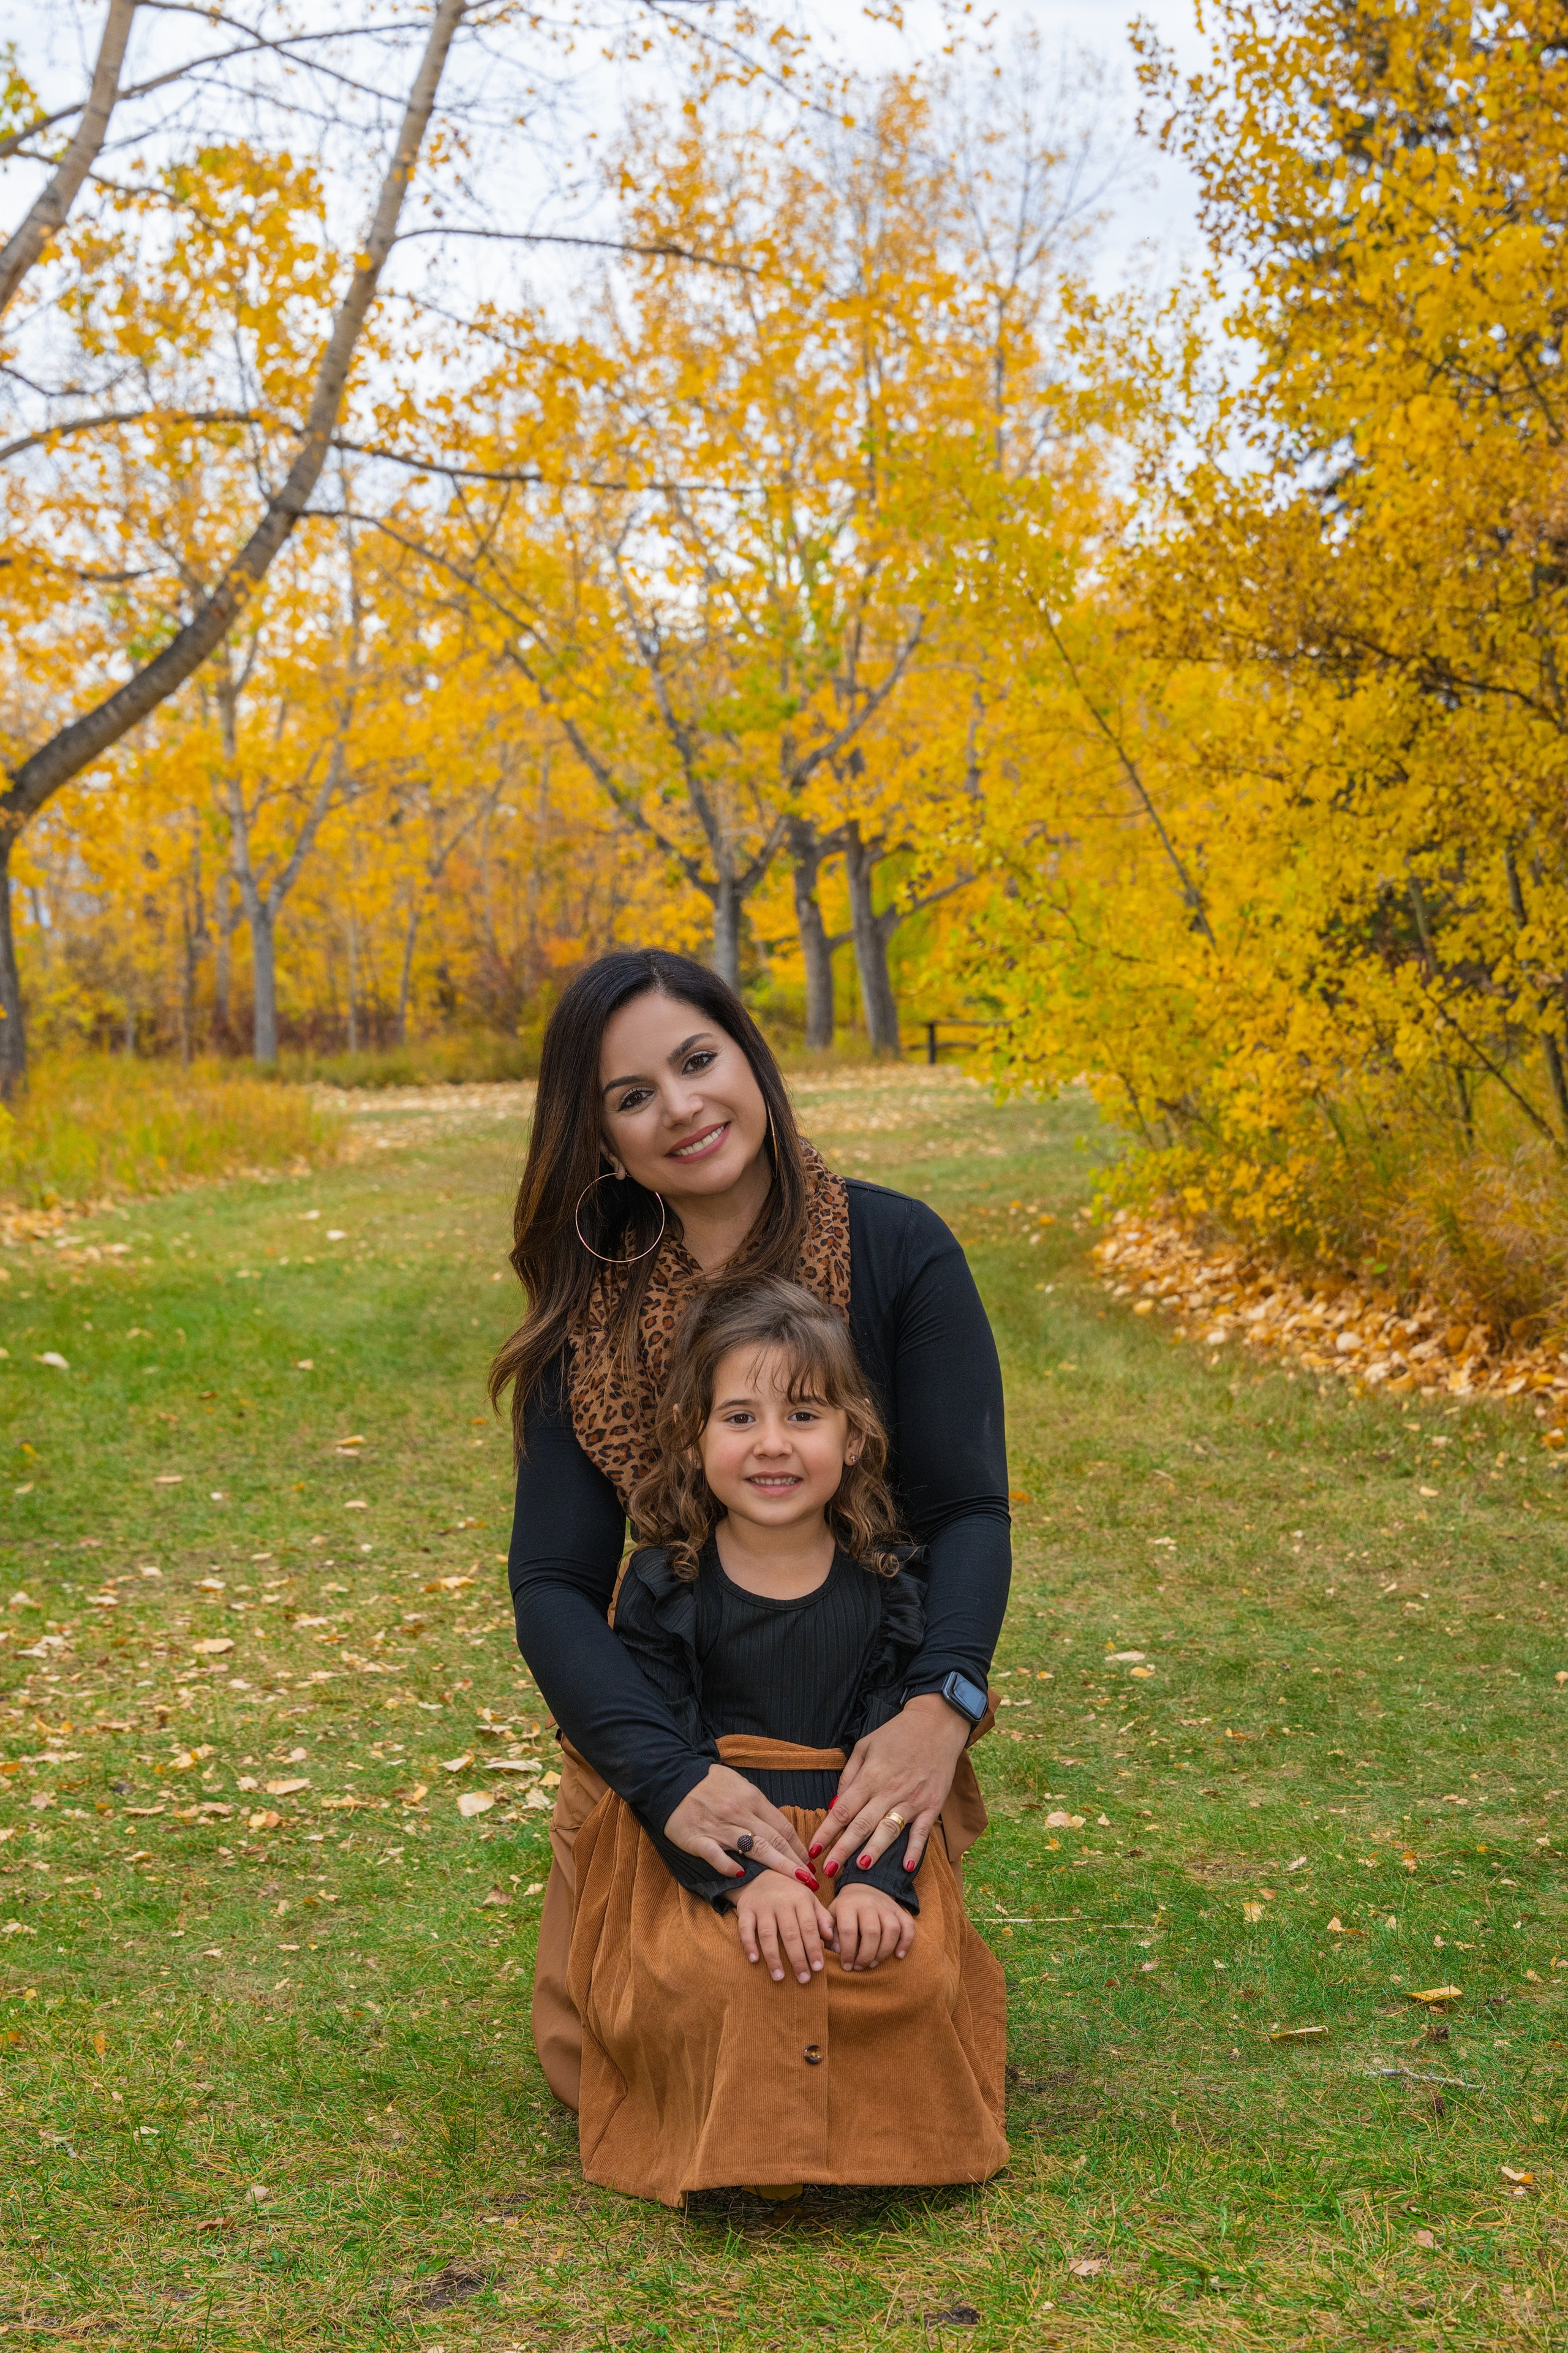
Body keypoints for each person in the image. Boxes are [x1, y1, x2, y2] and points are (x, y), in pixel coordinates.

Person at [492, 946, 1011, 2113]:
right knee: (651, 2030)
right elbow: (553, 1585)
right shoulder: (590, 1316)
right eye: (633, 1095)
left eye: (698, 1060)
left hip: (866, 1704)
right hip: (673, 1706)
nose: (680, 1107)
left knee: (882, 2031)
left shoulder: (898, 1249)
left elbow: (968, 1510)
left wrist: (942, 1707)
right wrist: (670, 1778)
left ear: (751, 1061)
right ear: (603, 1138)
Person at [564, 1275, 1007, 2204]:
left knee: (903, 1971)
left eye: (803, 1414)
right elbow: (668, 1759)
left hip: (853, 1835)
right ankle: (751, 2151)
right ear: (693, 1439)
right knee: (725, 1972)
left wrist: (876, 1884)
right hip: (704, 1852)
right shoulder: (664, 1588)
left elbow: (893, 1764)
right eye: (740, 1417)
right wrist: (750, 1881)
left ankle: (872, 2148)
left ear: (854, 1438)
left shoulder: (892, 1589)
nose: (773, 1443)